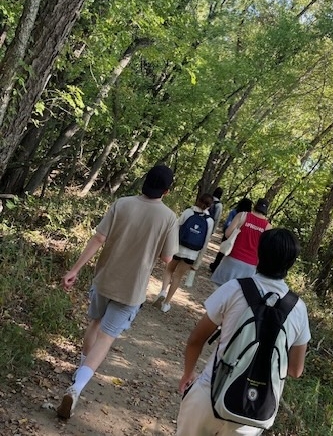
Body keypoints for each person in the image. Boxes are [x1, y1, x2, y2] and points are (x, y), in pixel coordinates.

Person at [56, 165, 178, 419]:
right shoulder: (168, 218)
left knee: (94, 323)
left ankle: (79, 369)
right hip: (132, 288)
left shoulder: (122, 203)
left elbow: (98, 238)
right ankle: (78, 386)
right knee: (107, 337)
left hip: (105, 279)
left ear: (145, 182)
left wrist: (75, 269)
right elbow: (168, 257)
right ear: (166, 191)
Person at [176, 228, 311, 435]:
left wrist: (188, 374)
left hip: (208, 396)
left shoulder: (235, 288)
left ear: (259, 254)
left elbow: (196, 339)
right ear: (291, 264)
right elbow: (295, 370)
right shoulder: (298, 308)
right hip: (252, 413)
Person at [153, 193, 214, 312]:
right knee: (178, 276)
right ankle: (166, 303)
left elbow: (176, 227)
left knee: (169, 270)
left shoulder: (188, 212)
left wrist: (167, 244)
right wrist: (198, 262)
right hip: (192, 253)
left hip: (178, 247)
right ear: (209, 206)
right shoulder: (210, 221)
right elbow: (206, 242)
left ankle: (163, 291)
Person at [210, 198, 271, 288]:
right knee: (239, 294)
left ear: (255, 206)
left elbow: (227, 234)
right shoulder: (268, 227)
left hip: (233, 258)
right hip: (250, 265)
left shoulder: (242, 216)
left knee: (220, 289)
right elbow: (265, 250)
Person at [209, 197, 253, 273]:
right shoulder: (249, 217)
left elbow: (227, 223)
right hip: (239, 237)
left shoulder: (234, 212)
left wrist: (226, 230)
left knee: (222, 251)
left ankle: (215, 266)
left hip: (229, 233)